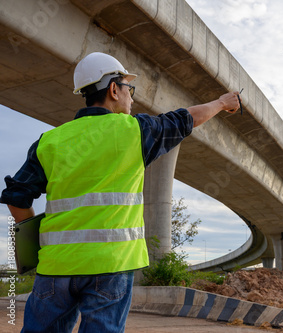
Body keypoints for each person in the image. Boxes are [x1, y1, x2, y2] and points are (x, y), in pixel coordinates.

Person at [0, 52, 241, 332]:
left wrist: (34, 240)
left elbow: (16, 197)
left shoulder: (50, 142)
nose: (132, 97)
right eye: (129, 88)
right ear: (114, 89)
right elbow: (185, 119)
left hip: (55, 268)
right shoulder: (135, 131)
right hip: (111, 267)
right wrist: (222, 103)